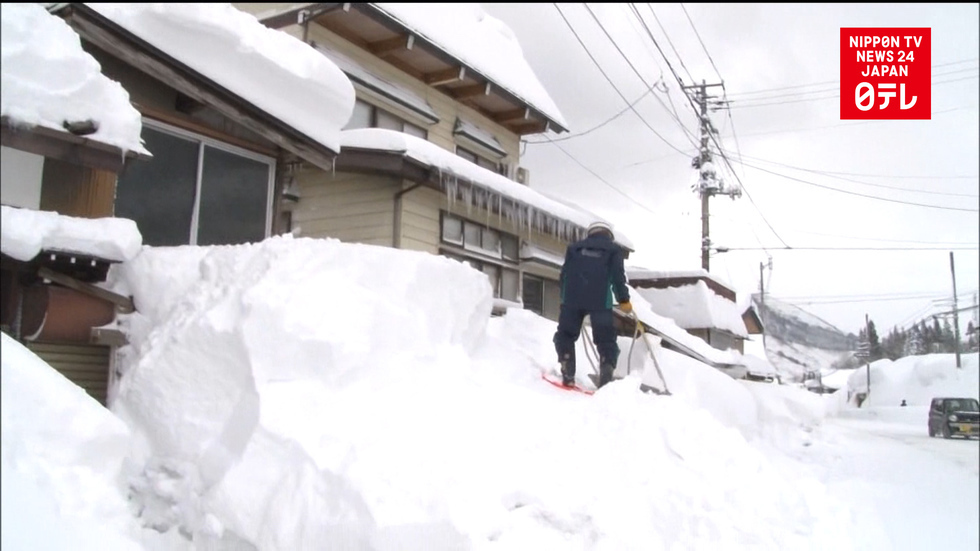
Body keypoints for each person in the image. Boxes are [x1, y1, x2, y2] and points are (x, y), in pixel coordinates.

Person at [553, 220, 632, 389]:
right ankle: (606, 370)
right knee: (606, 340)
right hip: (600, 300)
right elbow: (618, 278)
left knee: (565, 335)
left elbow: (564, 275)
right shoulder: (613, 250)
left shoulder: (574, 248)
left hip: (572, 299)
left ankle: (567, 365)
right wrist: (624, 300)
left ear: (590, 233)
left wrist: (564, 299)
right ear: (609, 235)